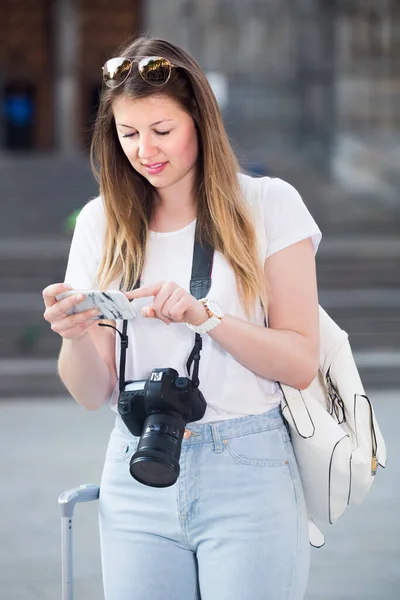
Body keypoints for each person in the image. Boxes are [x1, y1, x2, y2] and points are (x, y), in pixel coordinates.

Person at [42, 36, 321, 600]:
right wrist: (72, 337)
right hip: (135, 463)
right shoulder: (101, 222)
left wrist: (206, 316)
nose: (145, 150)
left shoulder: (268, 205)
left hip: (247, 467)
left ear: (200, 120)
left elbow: (299, 362)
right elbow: (92, 391)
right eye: (128, 134)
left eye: (162, 130)